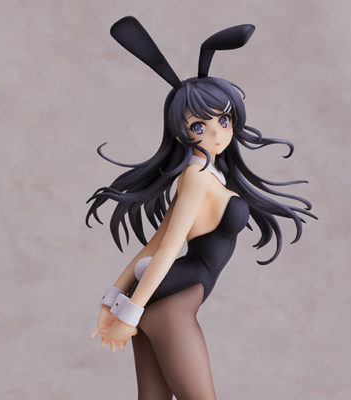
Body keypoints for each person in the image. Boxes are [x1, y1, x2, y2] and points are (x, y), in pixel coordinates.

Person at [87, 16, 318, 400]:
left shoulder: (204, 174)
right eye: (198, 126)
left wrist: (112, 300)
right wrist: (127, 313)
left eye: (223, 120)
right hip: (169, 306)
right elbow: (166, 248)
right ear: (180, 133)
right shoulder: (195, 176)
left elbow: (156, 241)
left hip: (162, 301)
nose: (216, 133)